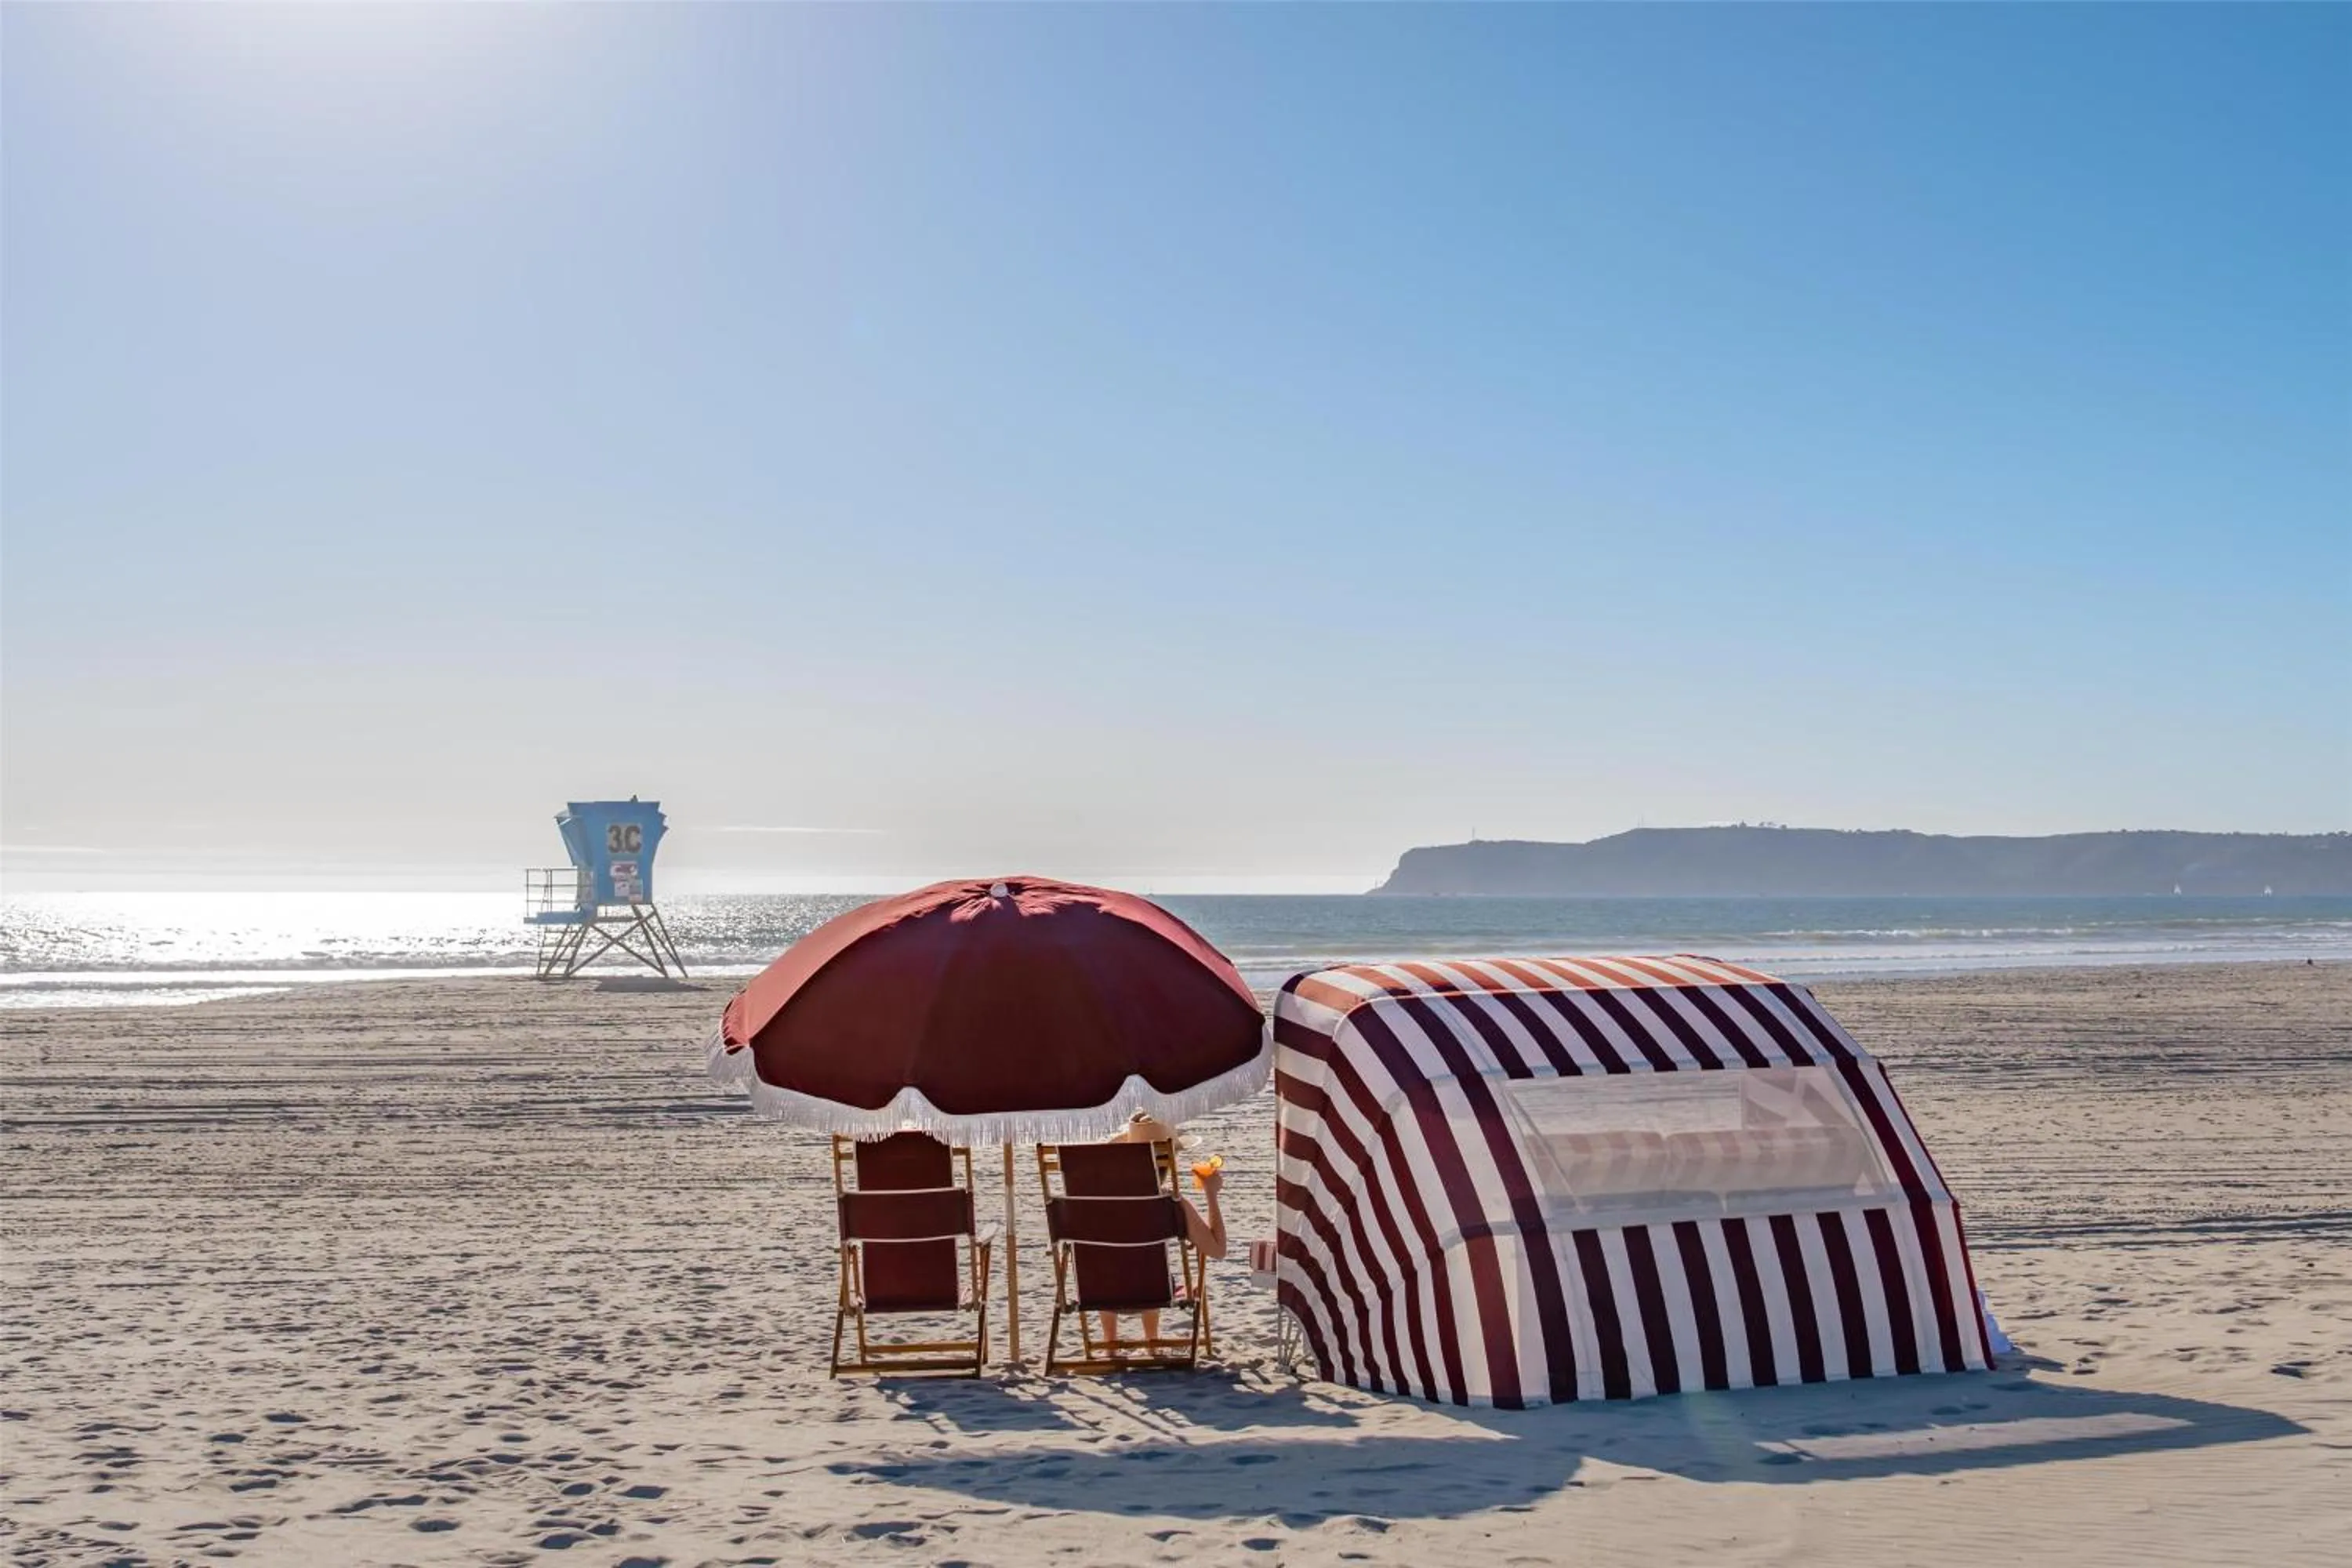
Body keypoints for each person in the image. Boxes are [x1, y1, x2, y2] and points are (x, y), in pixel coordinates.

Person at [1094, 1112, 1227, 1357]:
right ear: (1171, 1160)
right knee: (1147, 1267)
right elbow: (1218, 1250)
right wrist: (1211, 1193)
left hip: (1100, 1292)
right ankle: (1152, 1341)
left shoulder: (1096, 1202)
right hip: (1154, 1292)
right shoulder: (1172, 1203)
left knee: (1111, 1261)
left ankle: (1109, 1344)